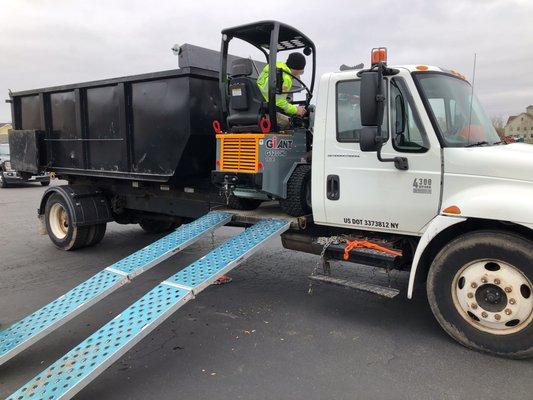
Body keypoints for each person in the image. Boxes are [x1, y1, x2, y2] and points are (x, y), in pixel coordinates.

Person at [256, 52, 307, 128]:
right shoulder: (285, 78)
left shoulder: (273, 67)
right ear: (296, 68)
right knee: (293, 124)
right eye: (301, 71)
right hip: (267, 113)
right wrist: (296, 110)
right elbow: (279, 102)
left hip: (257, 109)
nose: (299, 74)